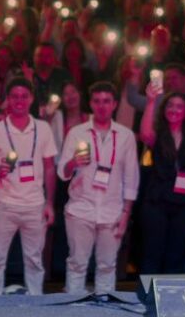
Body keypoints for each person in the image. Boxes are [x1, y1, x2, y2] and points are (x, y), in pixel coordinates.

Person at [57, 82, 139, 297]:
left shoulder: (125, 135)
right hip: (80, 208)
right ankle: (73, 312)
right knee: (76, 264)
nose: (101, 106)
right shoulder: (77, 133)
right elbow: (62, 172)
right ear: (91, 103)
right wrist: (73, 162)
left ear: (114, 104)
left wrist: (125, 214)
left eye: (106, 101)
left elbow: (131, 178)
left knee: (107, 266)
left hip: (112, 210)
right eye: (97, 101)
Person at [0, 77, 58, 295]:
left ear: (31, 99)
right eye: (14, 96)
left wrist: (50, 203)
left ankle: (35, 307)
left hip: (35, 205)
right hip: (4, 204)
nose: (19, 101)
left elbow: (50, 168)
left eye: (24, 96)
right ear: (8, 100)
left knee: (34, 261)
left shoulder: (43, 129)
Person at [139, 83, 185, 274]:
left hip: (183, 204)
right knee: (152, 254)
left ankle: (169, 300)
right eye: (170, 105)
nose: (174, 110)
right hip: (157, 200)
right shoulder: (158, 135)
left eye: (179, 106)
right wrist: (151, 101)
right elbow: (145, 133)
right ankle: (146, 300)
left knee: (175, 255)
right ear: (164, 110)